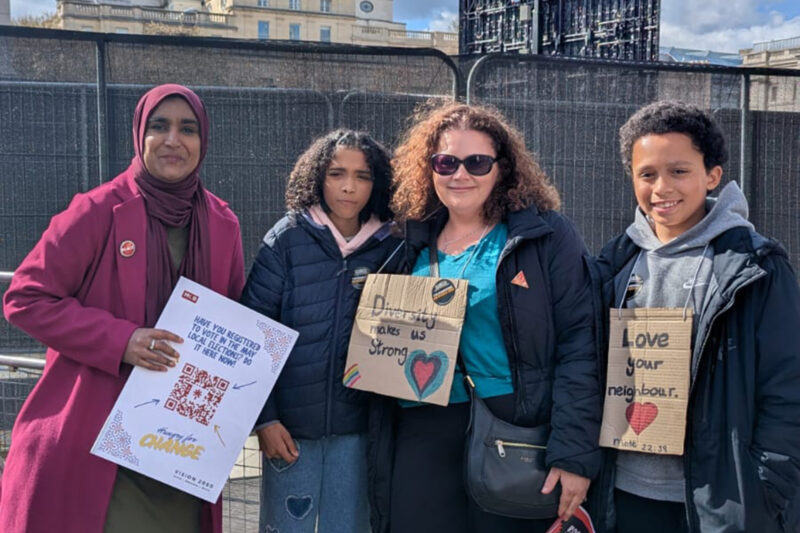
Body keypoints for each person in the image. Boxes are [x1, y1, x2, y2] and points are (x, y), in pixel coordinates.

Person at [1, 84, 244, 533]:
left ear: (203, 140)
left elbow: (231, 327)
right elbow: (25, 298)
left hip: (177, 450)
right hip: (92, 440)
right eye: (159, 126)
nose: (173, 140)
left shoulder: (222, 224)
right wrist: (122, 341)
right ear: (139, 134)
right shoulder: (95, 211)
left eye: (187, 129)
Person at [366, 102, 602, 533]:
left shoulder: (544, 236)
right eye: (446, 162)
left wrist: (573, 454)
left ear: (503, 167)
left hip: (512, 428)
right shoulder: (408, 242)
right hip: (422, 430)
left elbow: (580, 347)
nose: (460, 174)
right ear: (429, 168)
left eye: (477, 162)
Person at [587, 100, 800, 533]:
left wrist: (765, 487)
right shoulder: (612, 264)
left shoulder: (755, 267)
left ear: (712, 176)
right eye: (647, 174)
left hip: (721, 501)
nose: (661, 187)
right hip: (622, 495)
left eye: (679, 171)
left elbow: (788, 386)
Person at [240, 129, 398, 533]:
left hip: (361, 430)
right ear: (317, 177)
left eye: (363, 176)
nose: (349, 187)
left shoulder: (395, 246)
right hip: (290, 431)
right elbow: (253, 336)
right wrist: (265, 419)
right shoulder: (286, 240)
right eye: (336, 173)